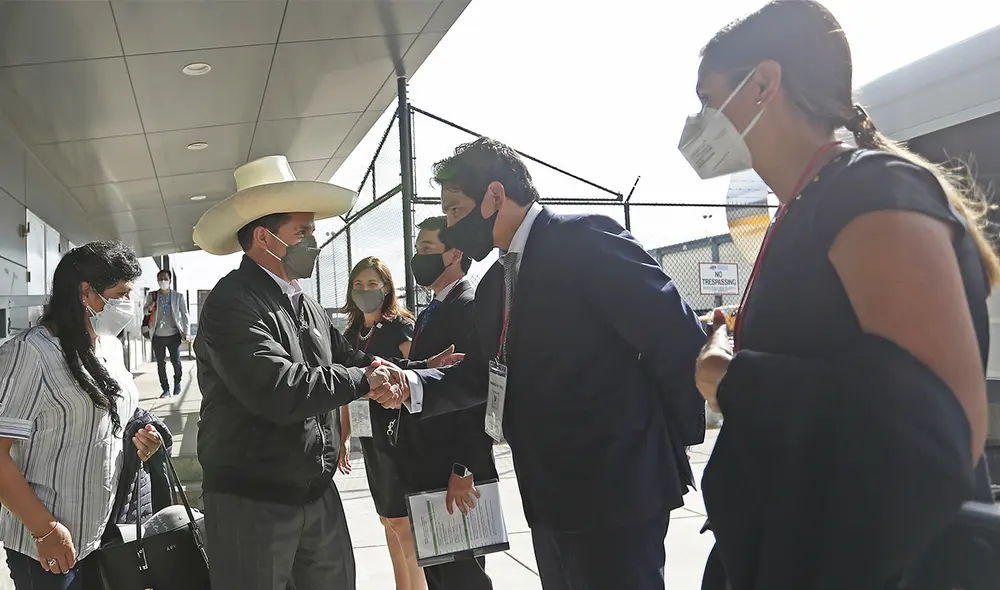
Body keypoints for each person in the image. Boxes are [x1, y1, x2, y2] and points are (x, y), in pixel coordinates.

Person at [684, 2, 998, 588]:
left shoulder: (869, 189)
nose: (698, 124)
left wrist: (731, 377)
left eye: (707, 99)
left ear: (763, 84)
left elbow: (935, 435)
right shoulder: (809, 201)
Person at [386, 138, 708, 590]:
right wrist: (411, 385)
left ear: (495, 196)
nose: (452, 225)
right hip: (551, 496)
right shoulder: (498, 281)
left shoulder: (583, 238)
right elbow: (483, 370)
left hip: (617, 490)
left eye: (456, 210)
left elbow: (673, 334)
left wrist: (677, 435)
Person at [191, 155, 457, 590]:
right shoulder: (231, 304)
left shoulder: (304, 302)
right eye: (303, 231)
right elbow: (279, 388)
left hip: (315, 495)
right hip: (252, 504)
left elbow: (348, 358)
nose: (313, 241)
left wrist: (414, 371)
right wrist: (368, 382)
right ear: (264, 236)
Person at [0, 241, 163, 590]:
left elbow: (115, 418)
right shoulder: (31, 354)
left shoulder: (110, 346)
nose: (128, 305)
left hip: (103, 535)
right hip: (48, 548)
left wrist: (142, 439)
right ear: (85, 293)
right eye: (120, 294)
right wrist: (45, 530)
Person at [397, 215, 498, 590]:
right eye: (418, 248)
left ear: (454, 253)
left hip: (454, 476)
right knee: (441, 576)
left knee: (463, 578)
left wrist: (464, 467)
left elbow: (479, 394)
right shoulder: (436, 307)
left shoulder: (467, 307)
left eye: (427, 249)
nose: (418, 256)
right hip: (430, 469)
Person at [338, 256, 424, 590]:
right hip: (369, 435)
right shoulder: (348, 335)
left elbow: (419, 373)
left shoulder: (400, 326)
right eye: (358, 284)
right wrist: (344, 435)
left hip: (399, 434)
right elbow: (346, 388)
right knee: (387, 520)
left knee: (403, 522)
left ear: (387, 288)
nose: (365, 290)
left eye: (373, 284)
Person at [144, 268, 189, 398]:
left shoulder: (177, 296)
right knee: (160, 364)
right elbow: (145, 312)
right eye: (160, 279)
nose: (163, 281)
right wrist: (149, 308)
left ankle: (177, 382)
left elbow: (184, 315)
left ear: (170, 280)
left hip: (174, 335)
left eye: (165, 279)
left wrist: (186, 332)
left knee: (176, 362)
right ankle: (165, 389)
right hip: (158, 335)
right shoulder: (152, 295)